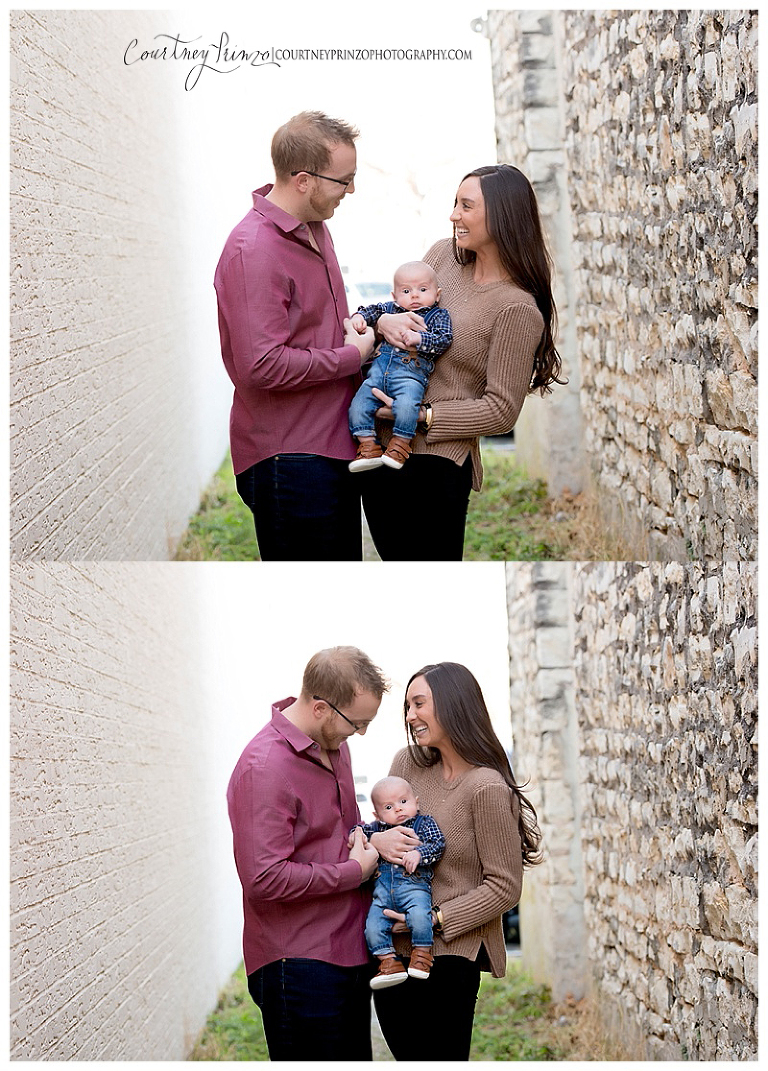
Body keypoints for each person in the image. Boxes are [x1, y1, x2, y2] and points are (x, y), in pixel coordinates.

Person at [360, 164, 565, 560]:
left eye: (466, 206)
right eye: (456, 203)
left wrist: (422, 416)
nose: (454, 214)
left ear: (502, 215)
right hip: (381, 449)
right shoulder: (442, 257)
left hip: (435, 466)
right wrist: (382, 321)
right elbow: (400, 310)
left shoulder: (517, 307)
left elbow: (501, 410)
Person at [214, 111, 374, 561]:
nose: (351, 190)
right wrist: (350, 357)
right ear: (303, 180)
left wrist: (373, 327)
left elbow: (317, 327)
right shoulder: (254, 250)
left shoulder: (315, 228)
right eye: (344, 180)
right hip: (291, 462)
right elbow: (262, 365)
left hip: (330, 446)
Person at [366, 662, 543, 1062]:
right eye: (408, 707)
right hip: (392, 951)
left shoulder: (486, 787)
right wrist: (375, 839)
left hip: (450, 956)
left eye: (419, 704)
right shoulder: (406, 764)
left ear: (452, 705)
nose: (410, 716)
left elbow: (504, 886)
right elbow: (382, 827)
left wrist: (434, 919)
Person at [226, 646, 388, 1061]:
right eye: (357, 723)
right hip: (298, 966)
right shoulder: (264, 767)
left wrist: (374, 841)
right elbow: (264, 879)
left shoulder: (335, 744)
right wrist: (353, 872)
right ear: (320, 708)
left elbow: (340, 833)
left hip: (351, 951)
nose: (360, 734)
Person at [347, 262, 453, 472]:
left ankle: (400, 445)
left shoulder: (438, 316)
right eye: (406, 291)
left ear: (437, 294)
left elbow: (444, 339)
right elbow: (372, 310)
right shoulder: (389, 309)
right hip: (378, 375)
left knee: (407, 407)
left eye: (423, 289)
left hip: (410, 376)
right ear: (394, 296)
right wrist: (359, 317)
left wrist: (419, 338)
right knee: (358, 405)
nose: (414, 295)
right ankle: (368, 446)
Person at [353, 775, 445, 988]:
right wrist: (360, 837)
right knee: (372, 927)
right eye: (388, 807)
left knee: (420, 917)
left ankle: (421, 955)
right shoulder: (377, 829)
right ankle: (388, 962)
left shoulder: (424, 824)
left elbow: (438, 844)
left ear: (416, 803)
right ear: (377, 815)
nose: (398, 809)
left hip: (414, 889)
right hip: (383, 895)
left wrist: (419, 853)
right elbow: (356, 833)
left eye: (403, 801)